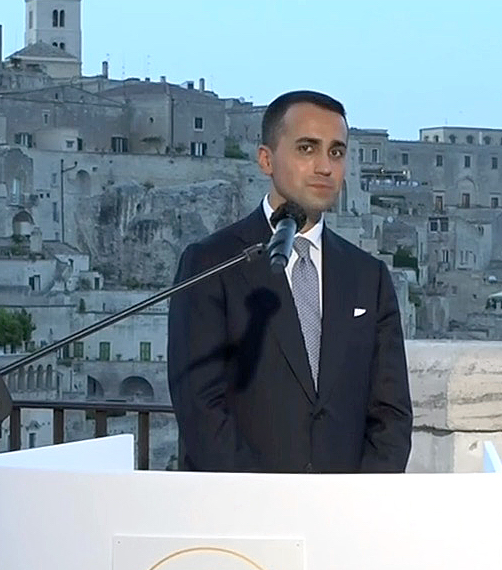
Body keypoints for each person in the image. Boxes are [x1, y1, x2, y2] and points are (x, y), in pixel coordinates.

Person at [168, 90, 412, 473]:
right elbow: (200, 406)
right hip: (243, 513)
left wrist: (362, 503)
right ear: (266, 159)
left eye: (336, 152)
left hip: (344, 515)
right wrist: (266, 504)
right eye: (306, 149)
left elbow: (391, 413)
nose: (324, 167)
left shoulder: (369, 276)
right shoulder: (213, 262)